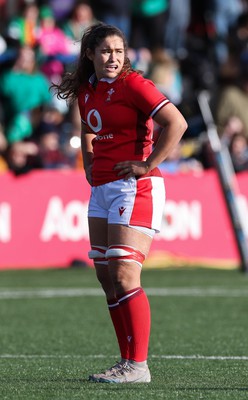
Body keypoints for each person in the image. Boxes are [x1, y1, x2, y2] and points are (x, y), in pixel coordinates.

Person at [51, 23, 187, 384]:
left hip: (135, 187)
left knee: (125, 274)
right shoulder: (88, 90)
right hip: (103, 189)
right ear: (90, 54)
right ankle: (126, 362)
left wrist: (147, 164)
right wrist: (90, 161)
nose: (114, 58)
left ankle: (139, 366)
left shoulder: (134, 85)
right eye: (106, 51)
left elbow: (176, 123)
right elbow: (88, 129)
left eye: (119, 51)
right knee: (107, 276)